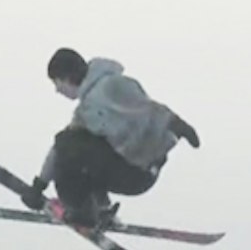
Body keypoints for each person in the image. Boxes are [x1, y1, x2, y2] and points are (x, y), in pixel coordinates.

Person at [24, 48, 200, 229]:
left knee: (70, 146)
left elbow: (147, 108)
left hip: (138, 171)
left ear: (67, 77)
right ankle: (99, 208)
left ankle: (84, 211)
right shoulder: (85, 112)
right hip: (131, 170)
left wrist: (177, 125)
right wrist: (39, 185)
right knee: (72, 154)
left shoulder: (111, 85)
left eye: (57, 82)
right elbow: (59, 150)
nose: (57, 90)